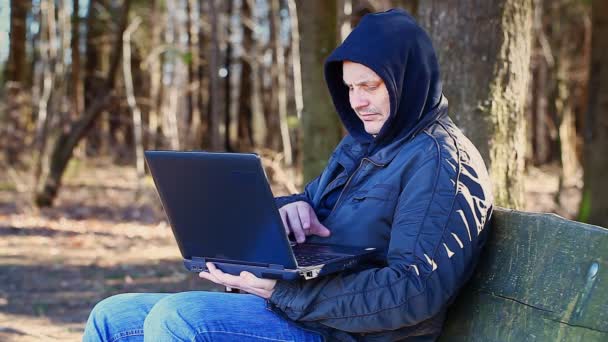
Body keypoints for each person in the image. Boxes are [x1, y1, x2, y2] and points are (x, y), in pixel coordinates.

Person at [83, 9, 493, 341]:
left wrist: (286, 294)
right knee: (111, 315)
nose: (359, 102)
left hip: (354, 332)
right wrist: (290, 209)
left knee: (180, 318)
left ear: (409, 79)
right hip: (305, 311)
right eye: (350, 89)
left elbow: (414, 291)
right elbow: (316, 209)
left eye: (370, 86)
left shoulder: (441, 164)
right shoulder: (364, 144)